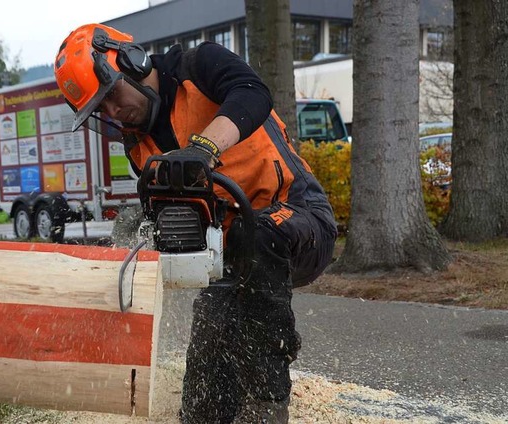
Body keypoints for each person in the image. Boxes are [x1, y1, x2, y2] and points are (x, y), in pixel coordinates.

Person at [54, 23, 338, 424]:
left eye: (112, 95)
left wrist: (204, 147)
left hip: (299, 216)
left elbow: (253, 93)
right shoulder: (138, 144)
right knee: (210, 348)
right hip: (232, 255)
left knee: (254, 238)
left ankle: (267, 406)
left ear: (130, 61)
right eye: (101, 109)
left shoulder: (198, 65)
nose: (113, 112)